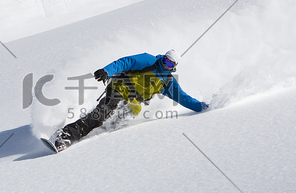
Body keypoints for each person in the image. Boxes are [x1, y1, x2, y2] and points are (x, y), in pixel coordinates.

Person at [49, 49, 209, 151]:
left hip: (133, 103)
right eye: (165, 60)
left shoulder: (168, 82)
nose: (166, 65)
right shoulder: (149, 60)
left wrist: (204, 108)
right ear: (163, 58)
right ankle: (64, 136)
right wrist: (107, 71)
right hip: (119, 89)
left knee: (117, 121)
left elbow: (184, 98)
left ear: (174, 67)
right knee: (102, 114)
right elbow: (125, 62)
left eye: (170, 64)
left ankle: (96, 135)